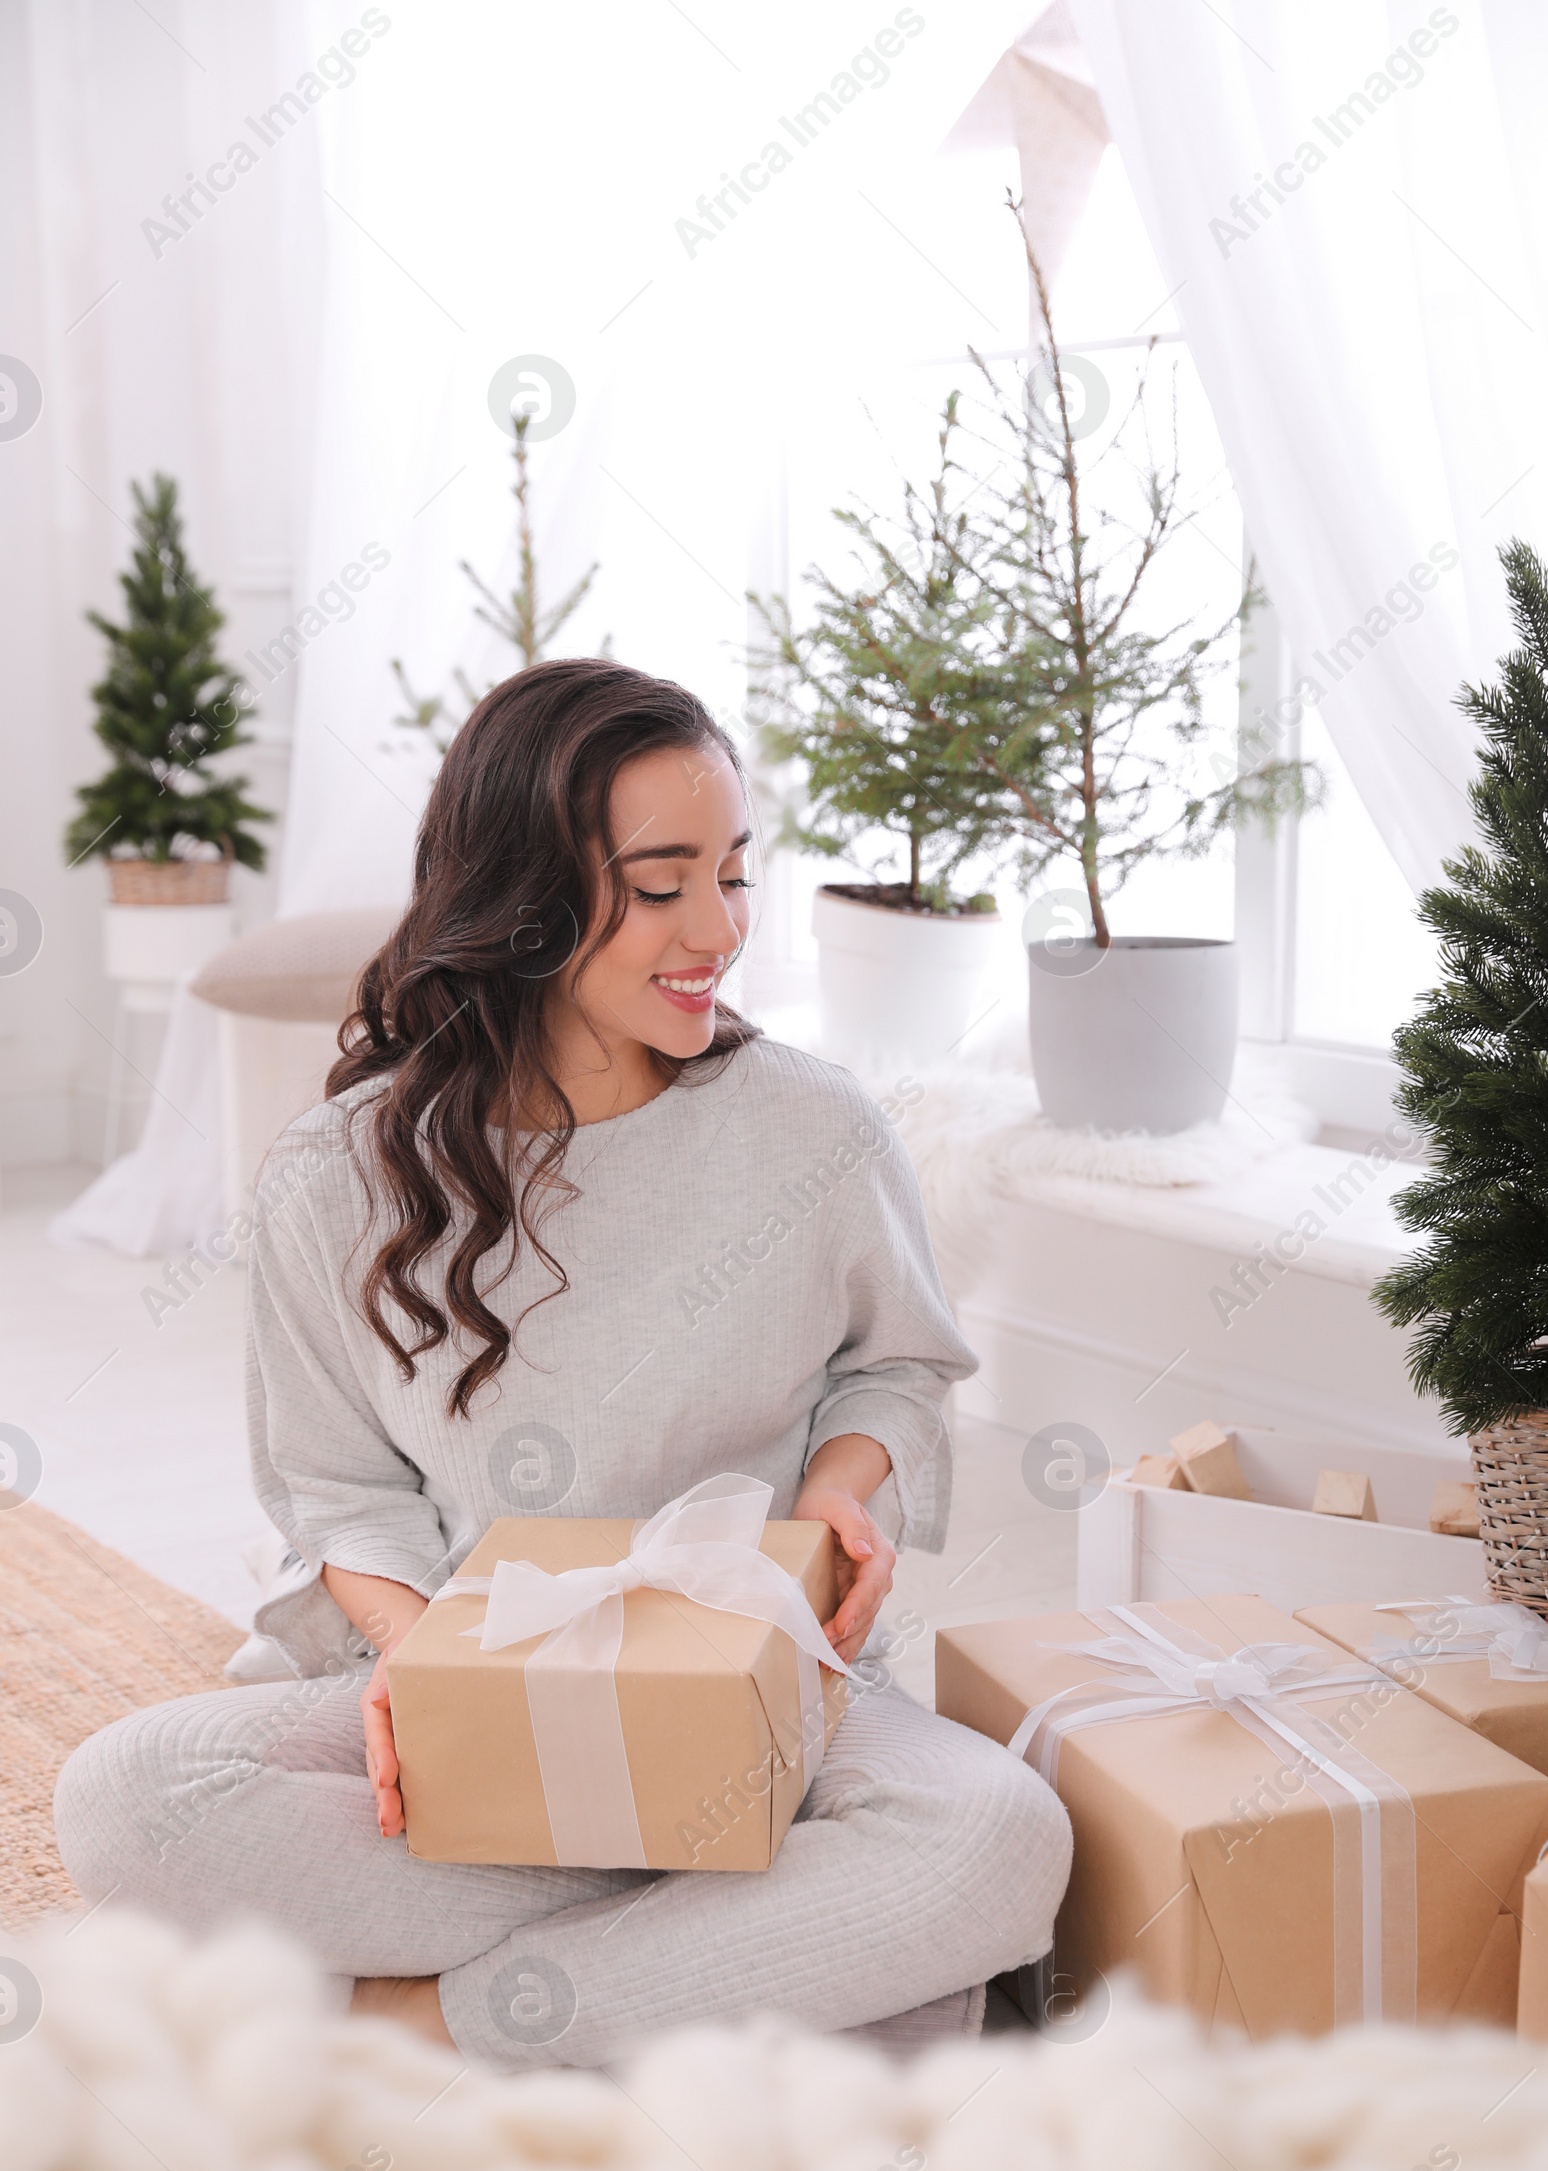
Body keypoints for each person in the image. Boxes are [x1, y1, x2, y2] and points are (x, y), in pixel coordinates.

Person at [56, 658, 1072, 2066]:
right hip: (489, 1702)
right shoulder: (334, 1177)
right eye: (662, 887)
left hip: (775, 1700)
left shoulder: (816, 1130)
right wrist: (425, 1671)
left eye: (735, 874)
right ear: (522, 903)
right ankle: (711, 1943)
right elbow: (339, 1491)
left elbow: (893, 1370)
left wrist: (843, 1491)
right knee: (125, 1800)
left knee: (999, 1840)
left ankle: (438, 2022)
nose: (718, 928)